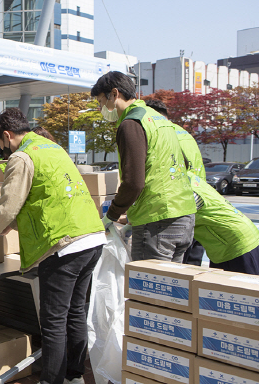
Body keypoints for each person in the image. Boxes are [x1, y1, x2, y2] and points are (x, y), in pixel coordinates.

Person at [0, 108, 105, 384]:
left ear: (7, 135)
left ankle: (51, 380)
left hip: (63, 246)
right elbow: (41, 198)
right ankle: (74, 376)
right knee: (75, 313)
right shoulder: (52, 148)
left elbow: (7, 207)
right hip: (91, 238)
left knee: (53, 322)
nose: (2, 152)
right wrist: (7, 227)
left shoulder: (22, 156)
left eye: (0, 146)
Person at [91, 71, 196, 262]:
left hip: (157, 219)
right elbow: (184, 162)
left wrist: (111, 216)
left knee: (148, 288)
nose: (101, 109)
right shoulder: (158, 119)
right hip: (184, 214)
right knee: (171, 287)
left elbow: (133, 182)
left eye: (100, 102)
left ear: (115, 94)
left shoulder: (131, 123)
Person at [146, 99, 206, 265]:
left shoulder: (163, 134)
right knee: (190, 269)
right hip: (195, 205)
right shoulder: (183, 133)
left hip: (174, 209)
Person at [188, 172, 259, 274]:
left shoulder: (183, 187)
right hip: (227, 241)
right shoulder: (188, 177)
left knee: (244, 287)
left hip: (234, 242)